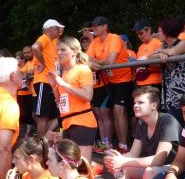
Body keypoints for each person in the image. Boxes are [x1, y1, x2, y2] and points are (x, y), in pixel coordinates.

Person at [87, 16, 133, 152]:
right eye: (92, 26)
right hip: (109, 81)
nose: (94, 28)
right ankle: (116, 144)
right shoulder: (95, 42)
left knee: (119, 111)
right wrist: (90, 63)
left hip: (123, 79)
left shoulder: (114, 38)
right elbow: (86, 59)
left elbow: (111, 60)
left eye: (96, 25)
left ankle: (123, 145)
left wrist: (94, 63)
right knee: (113, 113)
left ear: (105, 27)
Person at [47, 36, 97, 160]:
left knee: (81, 166)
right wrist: (54, 87)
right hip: (67, 123)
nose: (59, 53)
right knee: (69, 165)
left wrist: (64, 84)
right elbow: (60, 103)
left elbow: (88, 95)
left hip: (82, 122)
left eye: (63, 50)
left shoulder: (82, 69)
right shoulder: (65, 72)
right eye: (58, 50)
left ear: (74, 52)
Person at [151, 17, 185, 125]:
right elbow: (150, 56)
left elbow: (172, 52)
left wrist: (161, 52)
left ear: (167, 31)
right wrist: (161, 53)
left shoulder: (183, 43)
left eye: (160, 31)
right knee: (170, 125)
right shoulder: (164, 45)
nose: (157, 34)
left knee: (182, 125)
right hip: (167, 94)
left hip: (181, 92)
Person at [32, 19, 65, 137]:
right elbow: (35, 47)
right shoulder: (45, 38)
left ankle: (45, 139)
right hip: (44, 81)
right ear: (51, 29)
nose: (59, 31)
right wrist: (43, 63)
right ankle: (42, 144)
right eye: (57, 28)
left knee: (57, 114)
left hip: (51, 82)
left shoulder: (52, 41)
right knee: (43, 117)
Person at [133, 19, 163, 89]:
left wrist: (144, 63)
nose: (139, 36)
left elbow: (162, 65)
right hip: (139, 83)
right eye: (137, 34)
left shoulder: (158, 43)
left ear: (149, 30)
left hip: (153, 83)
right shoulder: (140, 47)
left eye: (141, 33)